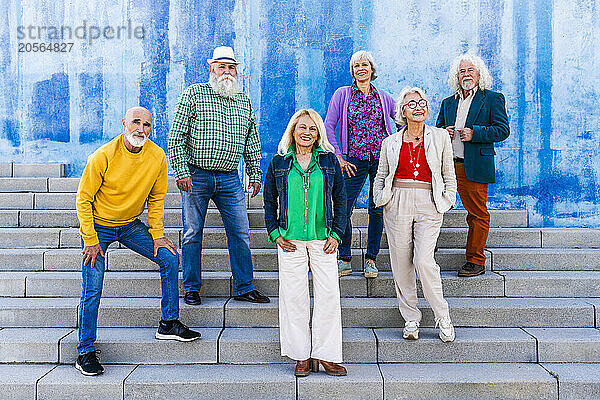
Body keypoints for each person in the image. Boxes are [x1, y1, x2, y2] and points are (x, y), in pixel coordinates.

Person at [75, 106, 200, 376]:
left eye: (146, 125)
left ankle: (168, 323)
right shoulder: (103, 156)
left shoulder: (156, 156)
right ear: (124, 123)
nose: (140, 129)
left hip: (130, 225)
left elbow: (156, 200)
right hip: (99, 227)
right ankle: (85, 350)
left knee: (169, 257)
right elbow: (83, 199)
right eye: (135, 122)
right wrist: (90, 238)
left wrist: (157, 235)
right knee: (93, 287)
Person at [168, 46, 269, 305]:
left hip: (230, 178)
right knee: (192, 233)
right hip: (196, 176)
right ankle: (191, 288)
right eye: (222, 66)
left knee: (241, 233)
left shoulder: (243, 101)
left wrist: (255, 173)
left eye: (231, 67)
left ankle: (244, 286)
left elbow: (251, 141)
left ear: (236, 70)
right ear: (211, 68)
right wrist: (180, 171)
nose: (227, 71)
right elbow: (176, 135)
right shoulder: (194, 94)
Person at [264, 109, 347, 376]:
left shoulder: (328, 161)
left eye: (312, 129)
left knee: (329, 296)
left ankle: (326, 355)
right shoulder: (279, 163)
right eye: (302, 128)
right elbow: (269, 201)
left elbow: (341, 199)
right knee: (293, 298)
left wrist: (336, 234)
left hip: (324, 240)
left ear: (318, 133)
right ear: (293, 131)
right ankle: (301, 355)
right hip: (290, 241)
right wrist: (275, 234)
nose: (307, 133)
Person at [374, 87, 457, 343]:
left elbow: (448, 173)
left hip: (429, 201)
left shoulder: (441, 137)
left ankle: (442, 316)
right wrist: (381, 199)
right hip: (397, 200)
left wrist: (448, 199)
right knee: (401, 264)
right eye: (411, 104)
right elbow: (380, 175)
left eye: (422, 103)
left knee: (423, 261)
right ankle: (411, 318)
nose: (418, 107)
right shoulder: (390, 142)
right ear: (402, 111)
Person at [436, 53, 510, 277]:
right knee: (433, 208)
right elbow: (437, 130)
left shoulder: (492, 98)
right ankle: (426, 251)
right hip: (447, 166)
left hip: (474, 165)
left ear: (479, 74)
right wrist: (443, 132)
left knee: (477, 214)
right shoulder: (448, 103)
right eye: (462, 71)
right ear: (456, 76)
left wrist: (475, 133)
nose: (466, 74)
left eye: (470, 70)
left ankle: (476, 260)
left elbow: (502, 130)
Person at [324, 50, 396, 279]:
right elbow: (328, 126)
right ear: (353, 71)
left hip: (380, 161)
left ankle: (370, 260)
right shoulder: (342, 94)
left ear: (372, 70)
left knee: (377, 209)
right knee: (343, 207)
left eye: (365, 64)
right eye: (356, 65)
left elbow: (402, 120)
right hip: (352, 161)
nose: (361, 68)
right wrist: (339, 157)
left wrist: (401, 146)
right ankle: (344, 258)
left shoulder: (383, 97)